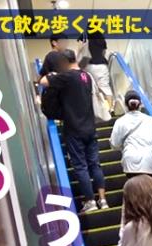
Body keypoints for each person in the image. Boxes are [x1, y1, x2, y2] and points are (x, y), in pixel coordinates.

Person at [39, 49, 107, 213]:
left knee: (81, 166)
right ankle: (103, 200)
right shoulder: (86, 76)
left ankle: (90, 201)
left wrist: (54, 74)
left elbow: (43, 81)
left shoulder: (67, 76)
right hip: (90, 128)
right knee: (95, 164)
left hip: (74, 129)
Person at [109, 90, 152, 181]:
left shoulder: (120, 122)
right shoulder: (151, 120)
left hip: (131, 164)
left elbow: (114, 144)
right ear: (140, 104)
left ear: (125, 105)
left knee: (136, 188)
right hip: (150, 162)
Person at [78, 31, 113, 111]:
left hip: (88, 65)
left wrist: (78, 60)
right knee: (105, 87)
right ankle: (110, 109)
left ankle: (90, 109)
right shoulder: (100, 35)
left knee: (88, 88)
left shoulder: (84, 34)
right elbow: (104, 51)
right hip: (102, 65)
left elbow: (80, 48)